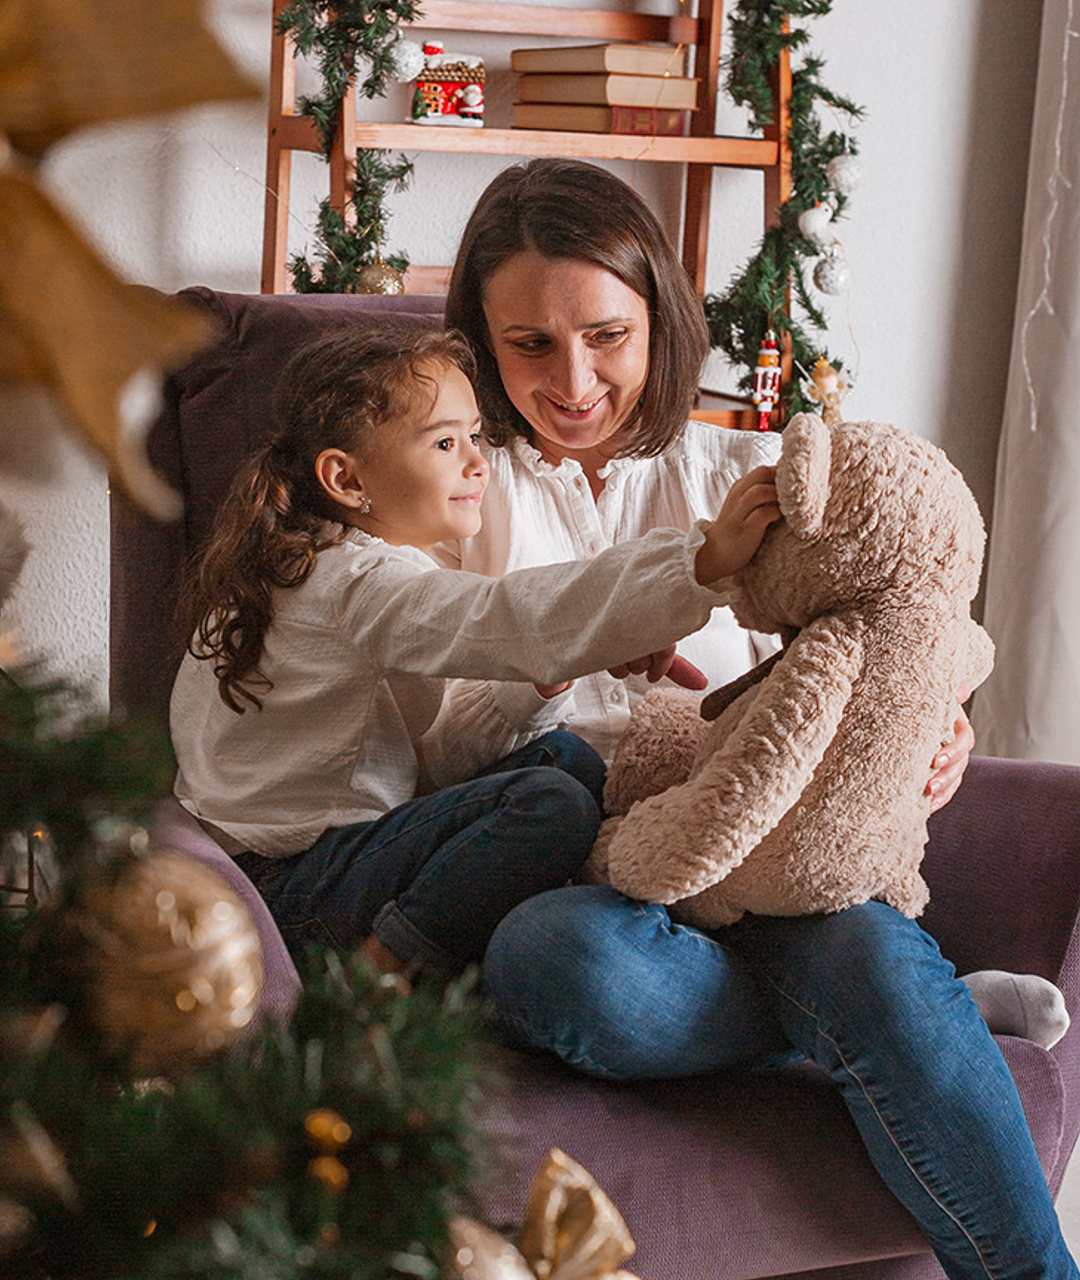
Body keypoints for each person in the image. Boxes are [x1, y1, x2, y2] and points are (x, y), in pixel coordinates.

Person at [440, 159, 1077, 1280]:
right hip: (595, 883)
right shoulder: (450, 487)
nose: (574, 378)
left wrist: (937, 722)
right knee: (550, 961)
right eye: (528, 343)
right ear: (482, 341)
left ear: (658, 321)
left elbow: (887, 621)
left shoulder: (752, 478)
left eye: (605, 334)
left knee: (855, 938)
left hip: (787, 874)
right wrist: (572, 654)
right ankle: (897, 1019)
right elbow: (428, 749)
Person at [169, 322, 780, 981]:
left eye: (474, 435)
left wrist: (554, 671)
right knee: (552, 803)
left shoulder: (296, 561)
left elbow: (436, 761)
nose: (477, 461)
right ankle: (381, 973)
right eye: (444, 442)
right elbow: (508, 617)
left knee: (565, 759)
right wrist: (701, 561)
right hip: (292, 885)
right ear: (347, 479)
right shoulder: (357, 586)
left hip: (307, 861)